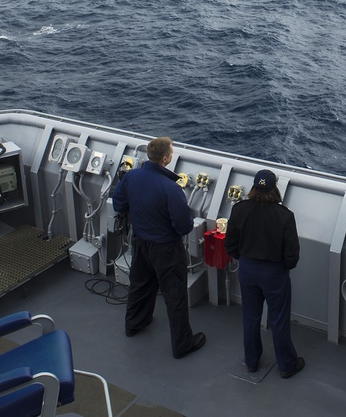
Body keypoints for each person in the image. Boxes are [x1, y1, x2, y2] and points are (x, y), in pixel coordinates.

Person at [112, 136, 206, 359]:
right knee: (175, 295)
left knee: (140, 284)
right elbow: (183, 226)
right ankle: (182, 344)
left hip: (141, 243)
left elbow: (119, 203)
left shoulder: (132, 176)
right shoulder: (170, 188)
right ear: (166, 158)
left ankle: (134, 324)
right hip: (166, 249)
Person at [224, 169, 305, 379]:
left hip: (248, 269)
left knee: (250, 317)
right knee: (278, 319)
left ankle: (251, 361)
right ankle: (286, 364)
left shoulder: (239, 209)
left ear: (254, 187)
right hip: (274, 273)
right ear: (274, 188)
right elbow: (292, 253)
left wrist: (243, 258)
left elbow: (230, 243)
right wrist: (285, 266)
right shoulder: (285, 216)